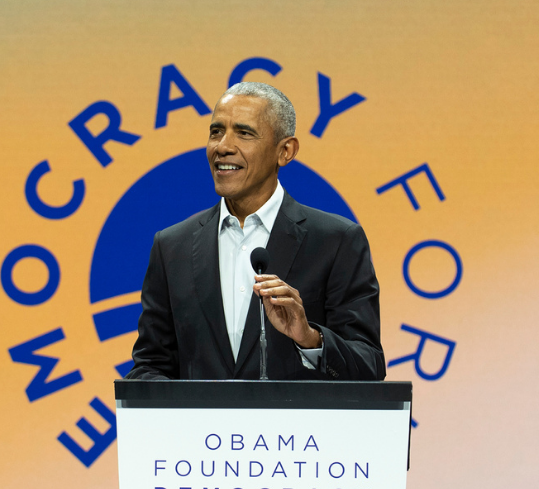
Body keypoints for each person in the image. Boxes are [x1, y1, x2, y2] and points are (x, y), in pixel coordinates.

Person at [126, 82, 384, 381]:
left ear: (285, 151)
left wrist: (310, 338)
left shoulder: (336, 241)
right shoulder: (172, 246)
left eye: (244, 133)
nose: (222, 146)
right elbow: (150, 366)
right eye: (216, 131)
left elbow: (369, 366)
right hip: (202, 429)